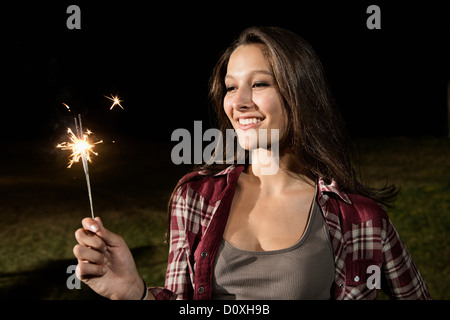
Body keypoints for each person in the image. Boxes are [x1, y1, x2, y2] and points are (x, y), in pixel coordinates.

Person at [73, 26, 431, 300]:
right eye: (230, 87)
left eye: (259, 84)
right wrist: (135, 292)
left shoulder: (360, 219)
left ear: (301, 95)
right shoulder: (196, 196)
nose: (239, 102)